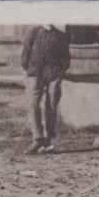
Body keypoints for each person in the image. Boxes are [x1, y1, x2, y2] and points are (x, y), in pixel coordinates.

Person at [21, 24, 71, 154]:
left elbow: (66, 58)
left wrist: (60, 71)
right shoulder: (34, 31)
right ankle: (37, 138)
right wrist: (25, 68)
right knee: (32, 103)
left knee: (52, 103)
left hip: (53, 73)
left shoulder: (60, 36)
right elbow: (26, 51)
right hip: (34, 72)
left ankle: (48, 139)